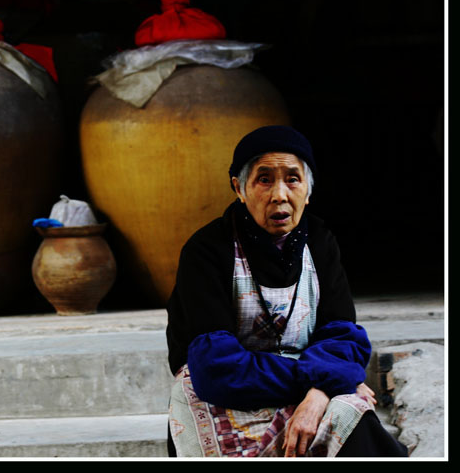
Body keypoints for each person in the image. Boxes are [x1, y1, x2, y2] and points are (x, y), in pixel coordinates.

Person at [165, 125, 409, 457]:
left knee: (358, 422)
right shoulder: (207, 250)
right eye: (264, 179)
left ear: (308, 190)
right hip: (225, 397)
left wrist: (321, 394)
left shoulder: (320, 242)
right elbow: (216, 367)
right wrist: (328, 379)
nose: (280, 194)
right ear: (239, 188)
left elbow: (342, 335)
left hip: (307, 386)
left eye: (292, 179)